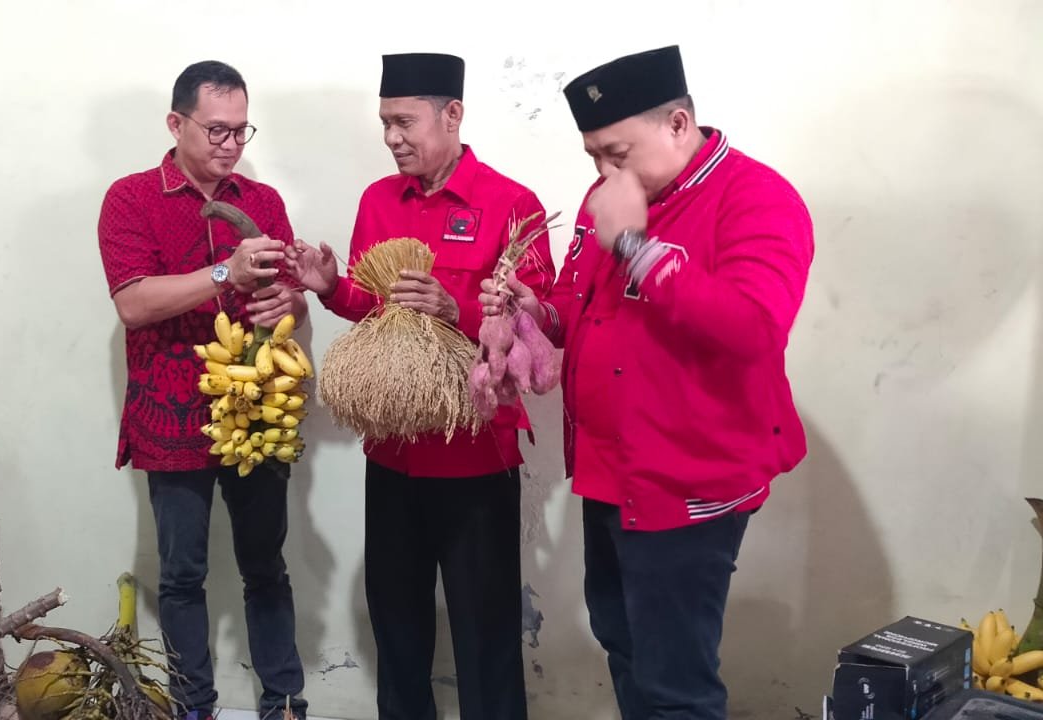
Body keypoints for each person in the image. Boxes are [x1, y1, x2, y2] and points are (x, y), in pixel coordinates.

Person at [484, 45, 814, 719]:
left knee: (675, 683)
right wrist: (534, 312)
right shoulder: (606, 201)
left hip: (687, 479)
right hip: (609, 471)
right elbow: (577, 309)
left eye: (618, 153)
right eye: (593, 157)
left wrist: (634, 247)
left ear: (678, 124)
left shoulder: (756, 198)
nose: (604, 174)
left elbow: (754, 329)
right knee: (623, 642)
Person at [286, 53, 555, 720]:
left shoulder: (511, 204)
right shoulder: (379, 201)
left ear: (452, 114)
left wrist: (456, 309)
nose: (392, 137)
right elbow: (376, 311)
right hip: (394, 456)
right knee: (398, 625)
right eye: (385, 122)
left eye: (404, 122)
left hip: (476, 454)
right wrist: (330, 287)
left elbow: (536, 329)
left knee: (485, 630)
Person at [97, 60, 310, 720]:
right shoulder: (131, 199)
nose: (230, 144)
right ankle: (194, 707)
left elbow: (293, 299)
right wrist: (225, 272)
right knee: (182, 576)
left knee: (266, 567)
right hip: (171, 415)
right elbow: (133, 303)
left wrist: (290, 305)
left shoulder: (263, 202)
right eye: (216, 129)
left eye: (241, 131)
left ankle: (283, 703)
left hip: (259, 409)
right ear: (176, 123)